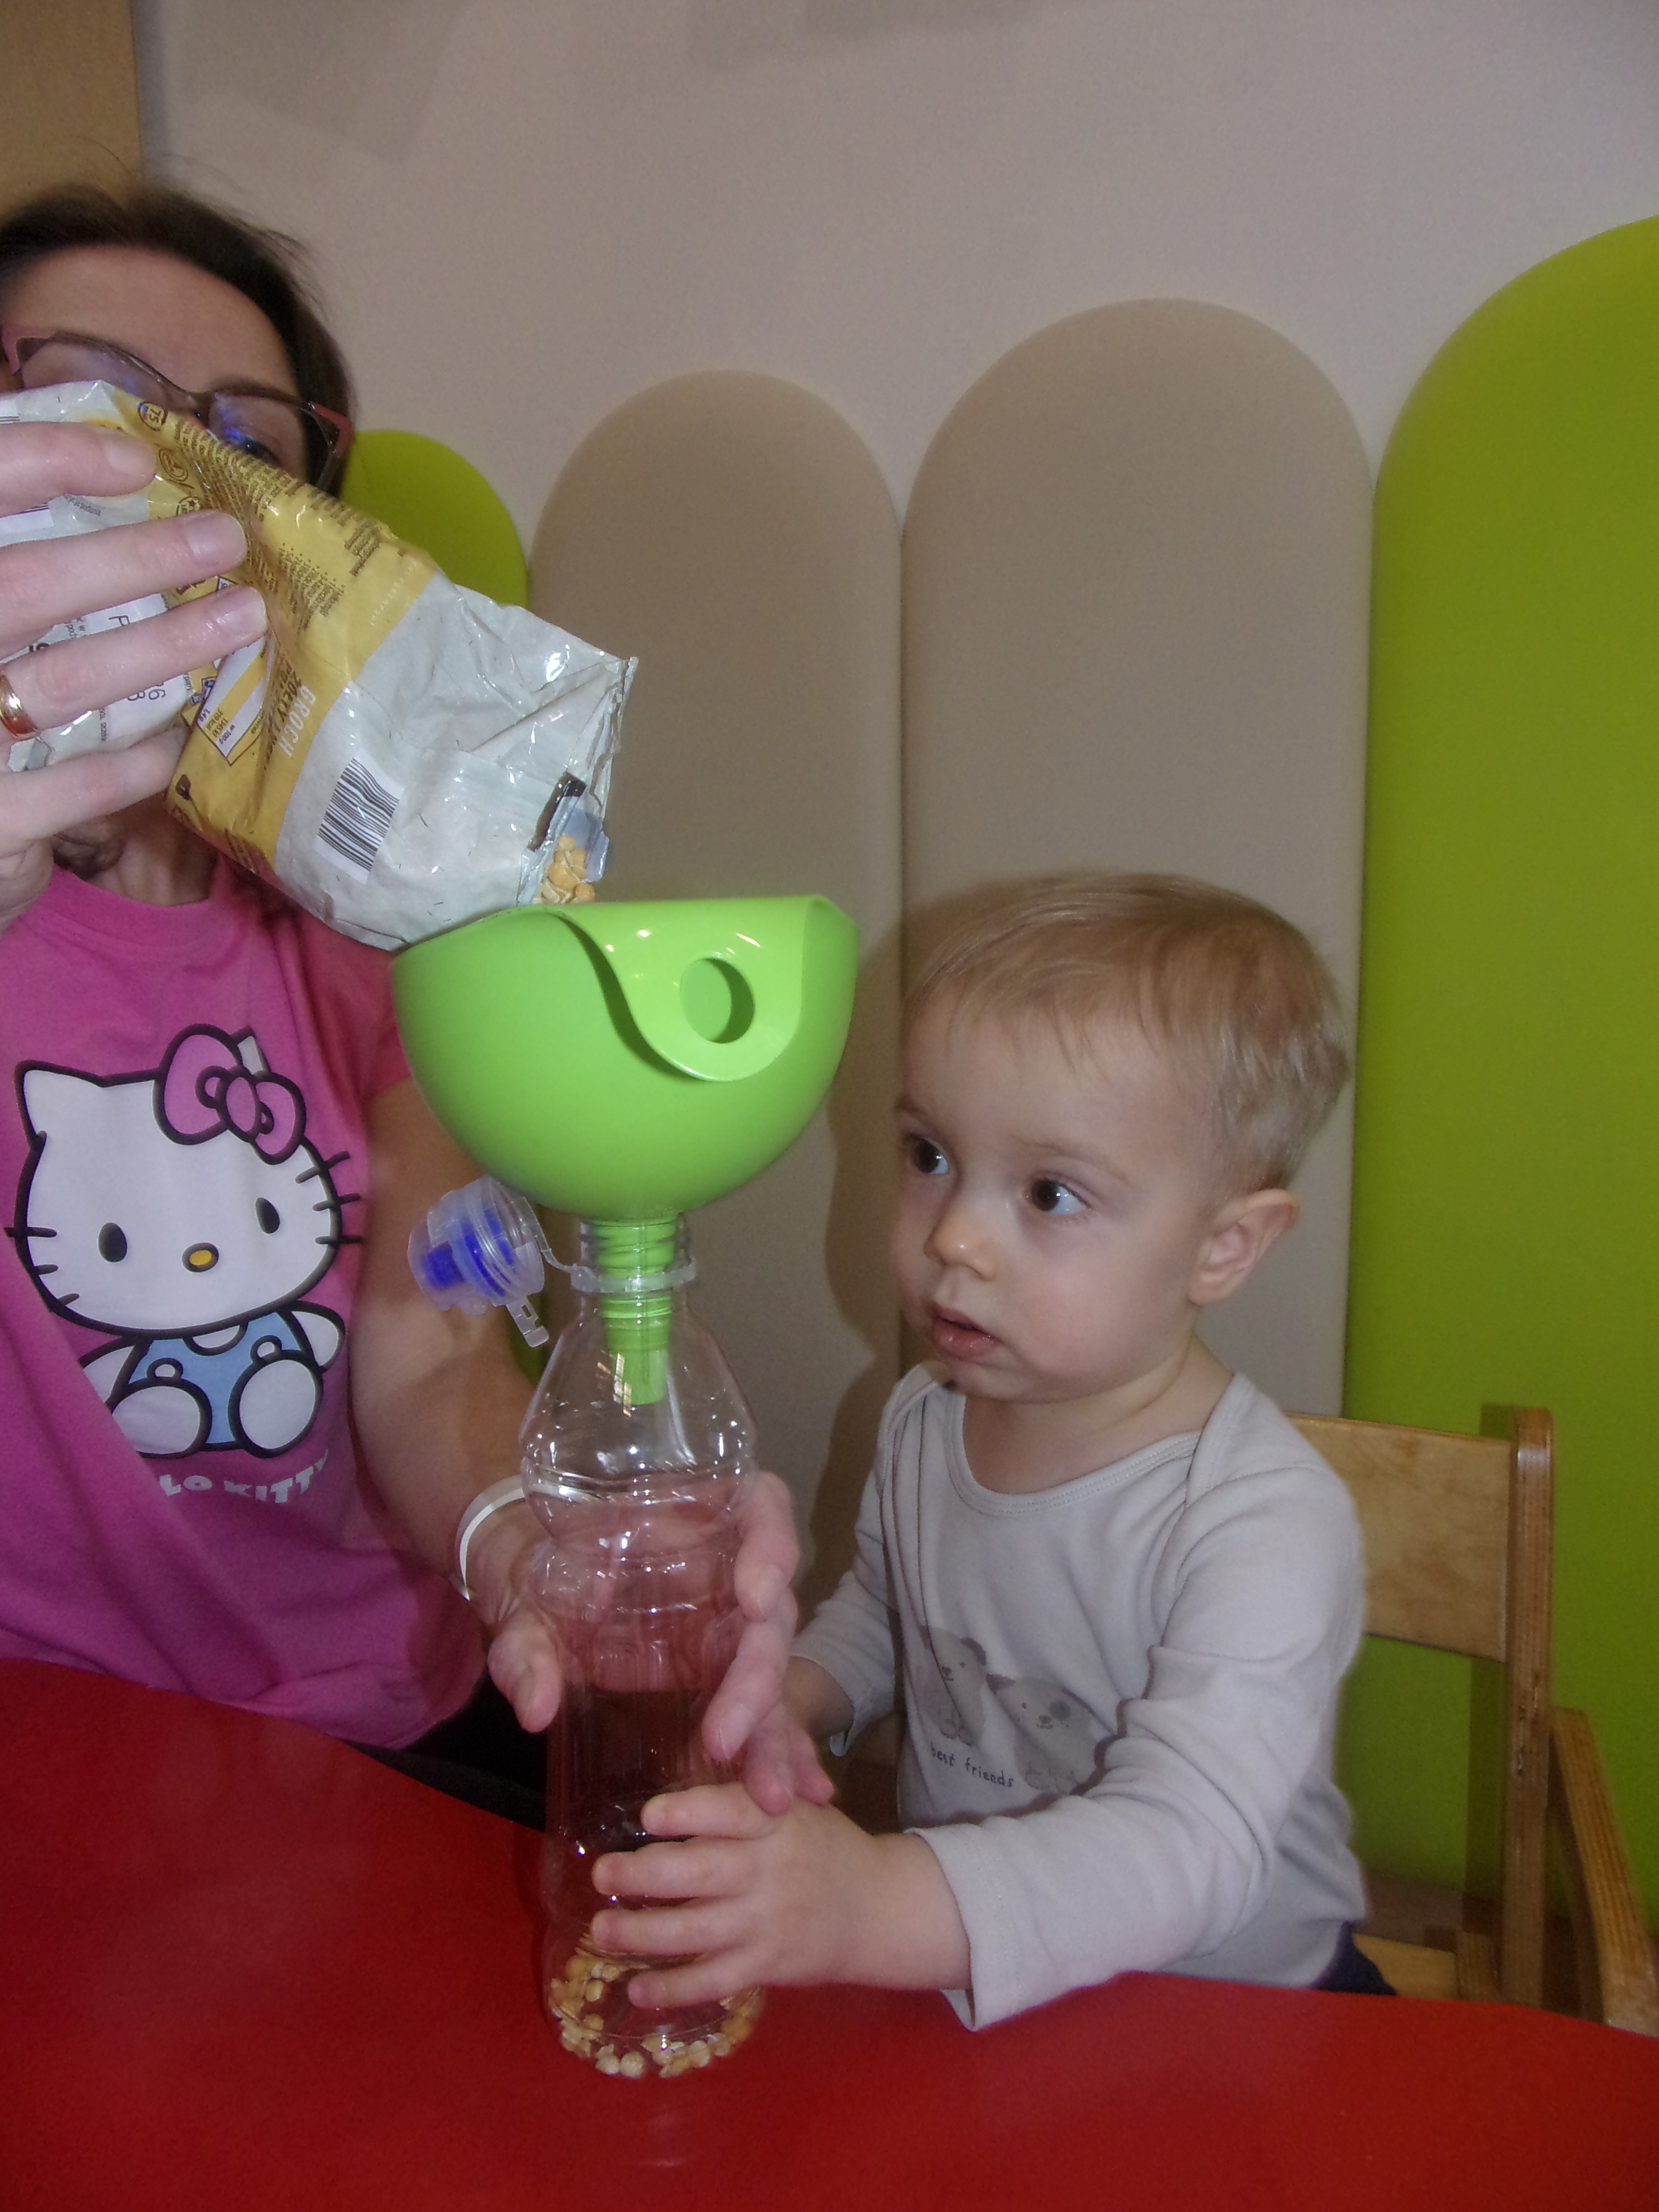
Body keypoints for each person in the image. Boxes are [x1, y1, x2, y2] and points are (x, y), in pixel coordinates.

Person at [0, 184, 804, 1818]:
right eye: (92, 407)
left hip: (392, 1724)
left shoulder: (384, 922)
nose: (175, 475)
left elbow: (429, 1350)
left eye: (242, 441)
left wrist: (528, 1544)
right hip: (55, 1745)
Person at [584, 873, 1393, 2020]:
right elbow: (892, 1610)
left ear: (1224, 1247)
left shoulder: (1259, 1522)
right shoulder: (925, 1415)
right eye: (929, 1156)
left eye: (1051, 1193)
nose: (955, 1235)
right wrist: (797, 1700)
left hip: (1238, 2012)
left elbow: (1195, 1843)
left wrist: (869, 1905)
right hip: (979, 1966)